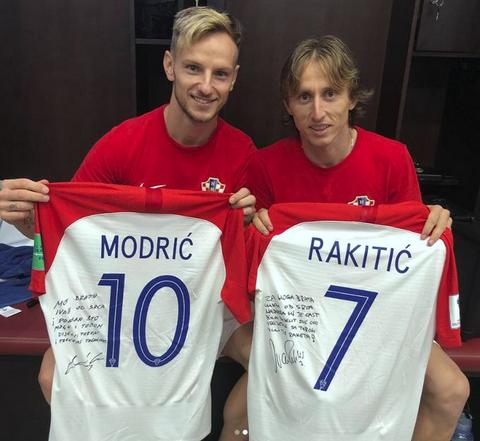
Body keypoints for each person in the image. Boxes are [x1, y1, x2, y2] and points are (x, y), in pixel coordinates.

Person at [0, 7, 253, 441]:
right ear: (170, 65)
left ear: (233, 79)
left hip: (200, 306)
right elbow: (71, 237)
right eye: (193, 68)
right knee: (51, 375)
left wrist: (249, 223)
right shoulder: (122, 143)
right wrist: (27, 219)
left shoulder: (243, 153)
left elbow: (244, 258)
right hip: (118, 300)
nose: (206, 86)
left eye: (220, 74)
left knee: (272, 363)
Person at [248, 35, 469, 441]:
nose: (318, 112)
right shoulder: (266, 165)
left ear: (351, 96)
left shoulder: (391, 158)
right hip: (300, 323)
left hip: (379, 320)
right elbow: (254, 266)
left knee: (452, 390)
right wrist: (254, 227)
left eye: (330, 94)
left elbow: (412, 253)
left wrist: (433, 224)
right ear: (288, 105)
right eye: (304, 96)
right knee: (237, 415)